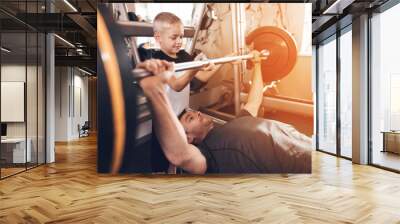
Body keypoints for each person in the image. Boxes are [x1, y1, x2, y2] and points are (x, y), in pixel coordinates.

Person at [138, 52, 312, 174]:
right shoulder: (209, 155)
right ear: (189, 139)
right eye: (190, 118)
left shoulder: (236, 122)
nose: (197, 113)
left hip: (306, 144)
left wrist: (258, 64)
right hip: (300, 164)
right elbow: (179, 155)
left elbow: (254, 100)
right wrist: (156, 91)